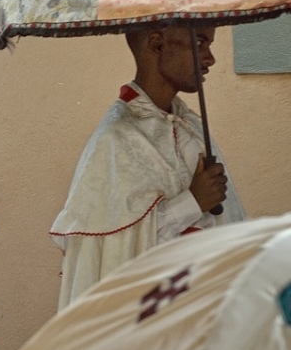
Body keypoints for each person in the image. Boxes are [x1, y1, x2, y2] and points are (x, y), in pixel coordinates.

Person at [53, 23, 245, 308]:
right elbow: (117, 255)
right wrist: (193, 202)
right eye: (199, 43)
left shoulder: (189, 125)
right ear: (157, 44)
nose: (210, 58)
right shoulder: (116, 138)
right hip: (152, 314)